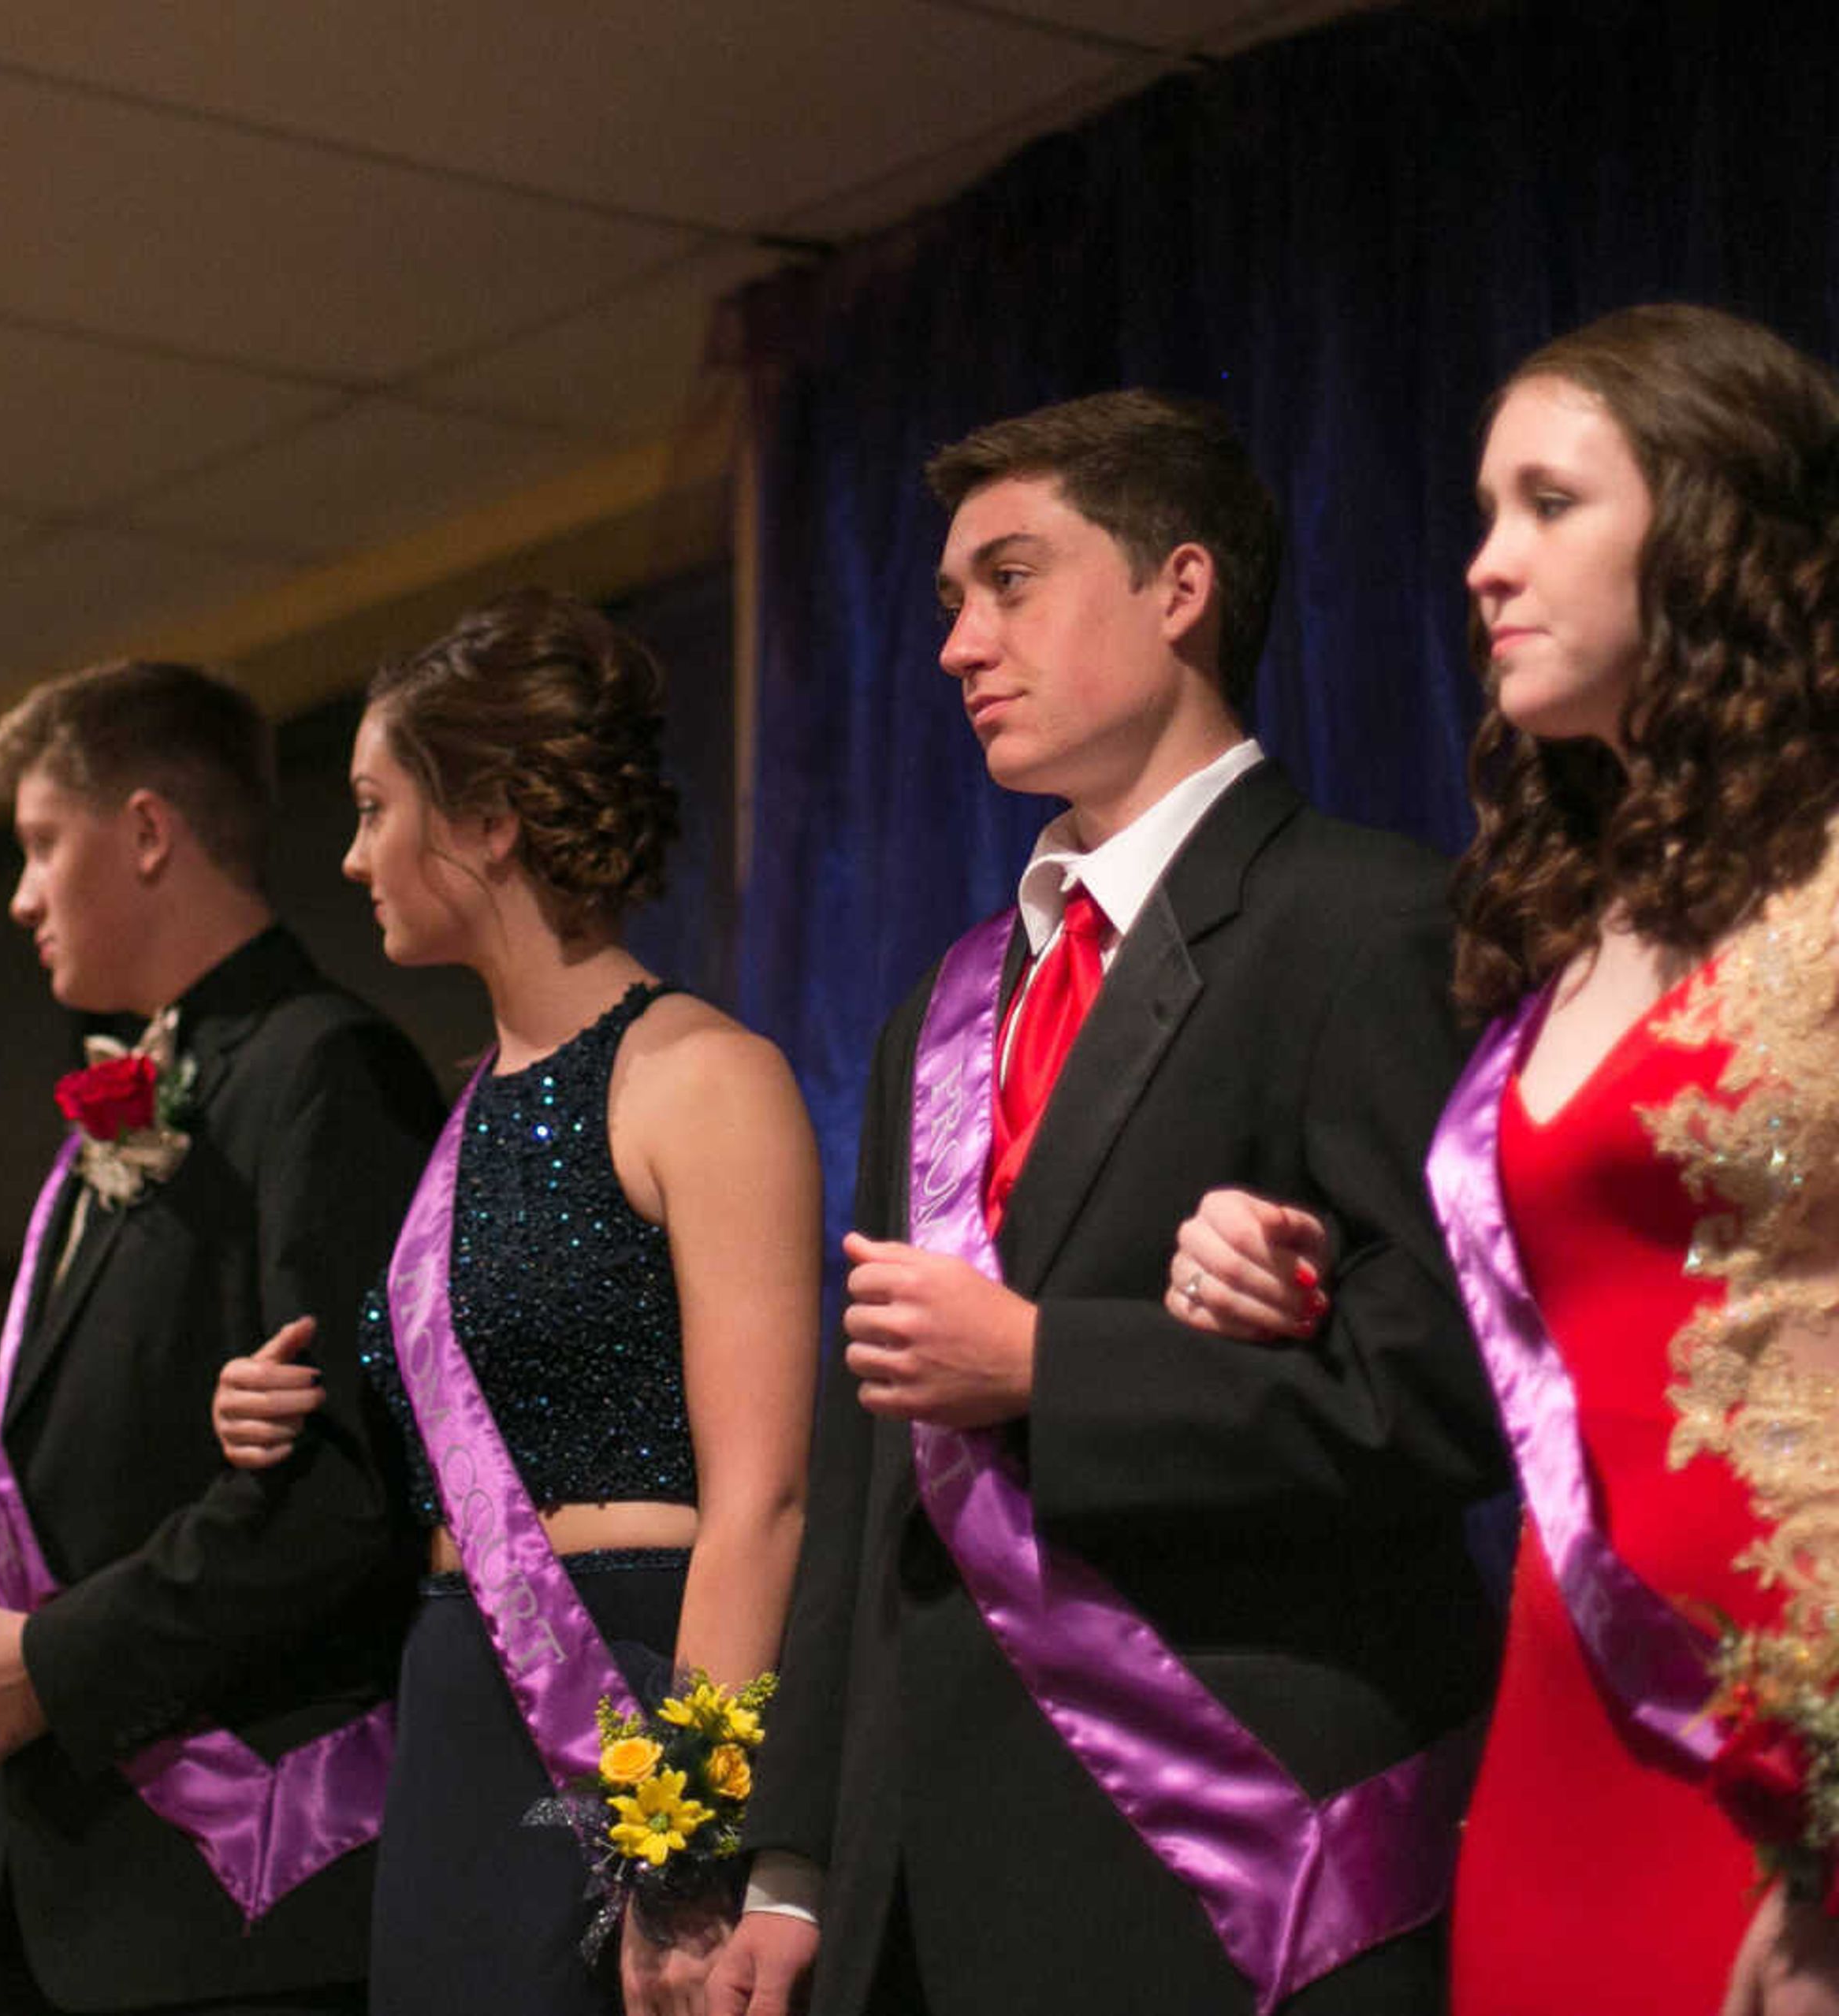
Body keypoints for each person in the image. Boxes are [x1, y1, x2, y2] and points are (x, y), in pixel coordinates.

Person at [712, 392, 1510, 2016]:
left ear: (1181, 588)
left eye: (1011, 580)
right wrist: (794, 1859)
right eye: (947, 603)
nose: (956, 645)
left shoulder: (1375, 920)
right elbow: (870, 1473)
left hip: (1241, 1870)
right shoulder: (937, 1008)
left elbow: (1445, 1387)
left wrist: (1046, 1366)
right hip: (928, 1881)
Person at [1154, 304, 1839, 2015]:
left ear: (1705, 531)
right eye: (1480, 512)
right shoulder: (1571, 916)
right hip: (1563, 1719)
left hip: (1783, 1729)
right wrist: (1296, 1271)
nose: (1483, 564)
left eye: (1547, 504)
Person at [207, 589, 821, 2016]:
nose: (353, 855)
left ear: (487, 821)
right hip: (455, 1691)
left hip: (639, 1682)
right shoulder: (459, 1116)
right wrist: (273, 1415)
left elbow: (767, 1500)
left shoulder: (703, 1076)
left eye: (375, 808)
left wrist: (683, 1842)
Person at [0, 658, 443, 2016]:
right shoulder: (130, 1100)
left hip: (243, 1892)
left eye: (42, 845)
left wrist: (53, 1659)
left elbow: (342, 1493)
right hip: (88, 1880)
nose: (22, 895)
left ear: (147, 830)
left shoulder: (325, 1071)